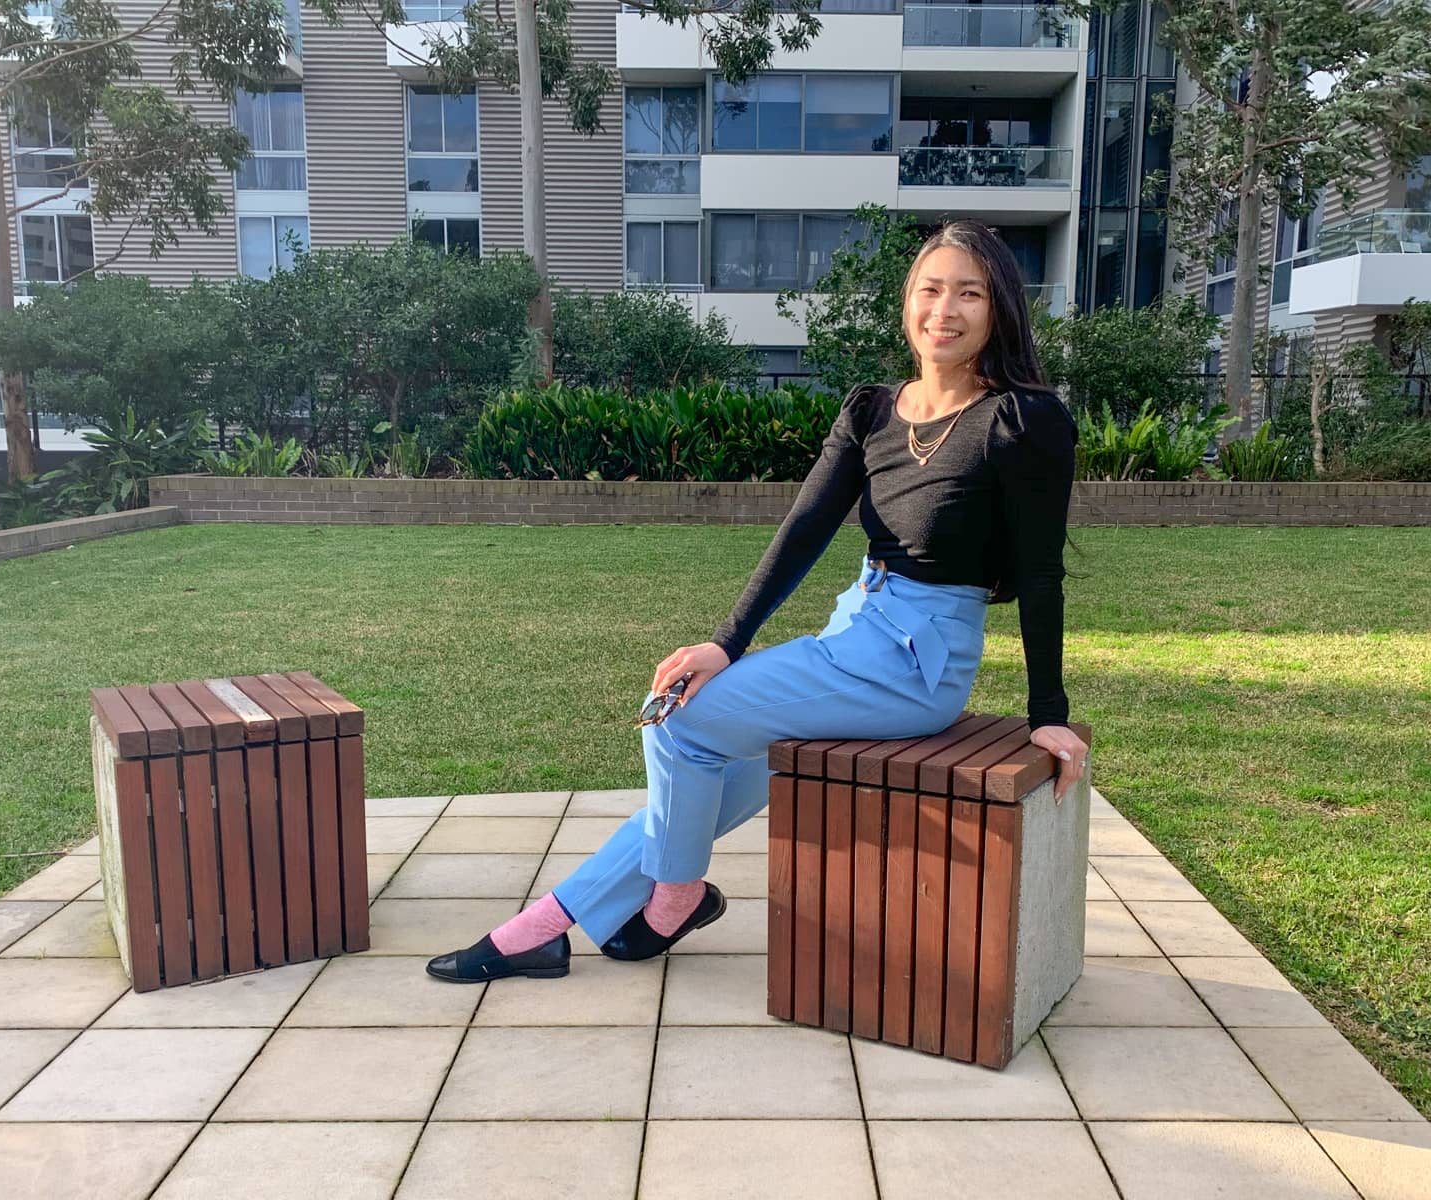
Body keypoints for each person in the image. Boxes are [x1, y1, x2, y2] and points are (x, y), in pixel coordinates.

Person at [426, 217, 1090, 984]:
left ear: (999, 308)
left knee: (676, 719)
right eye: (930, 289)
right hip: (856, 632)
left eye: (969, 293)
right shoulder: (873, 409)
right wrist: (727, 642)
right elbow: (803, 530)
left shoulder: (1023, 420)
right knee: (696, 789)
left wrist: (1050, 715)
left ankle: (674, 898)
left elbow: (1042, 573)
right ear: (907, 300)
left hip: (916, 665)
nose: (945, 309)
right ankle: (540, 928)